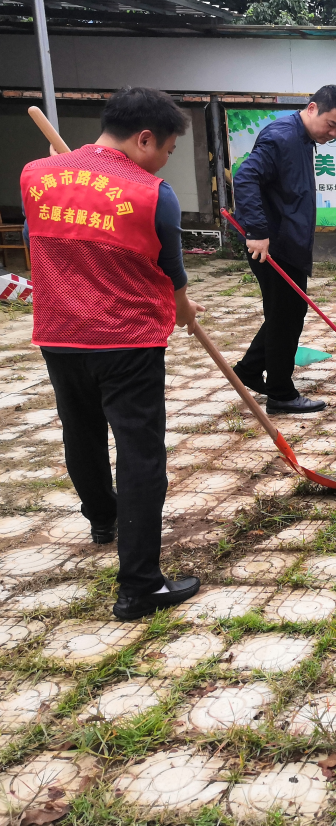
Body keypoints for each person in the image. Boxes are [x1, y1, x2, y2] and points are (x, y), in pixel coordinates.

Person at [20, 86, 204, 620]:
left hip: (59, 334)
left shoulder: (37, 176)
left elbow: (36, 243)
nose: (165, 160)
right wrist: (183, 308)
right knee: (141, 455)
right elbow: (171, 271)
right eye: (167, 149)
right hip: (128, 340)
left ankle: (103, 519)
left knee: (80, 431)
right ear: (145, 138)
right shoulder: (152, 193)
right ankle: (140, 586)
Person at [232, 85, 336, 413]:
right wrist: (257, 231)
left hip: (289, 243)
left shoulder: (302, 138)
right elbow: (245, 178)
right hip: (273, 246)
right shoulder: (282, 137)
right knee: (285, 318)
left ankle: (249, 369)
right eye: (331, 125)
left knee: (286, 313)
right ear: (312, 108)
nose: (333, 134)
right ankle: (281, 394)